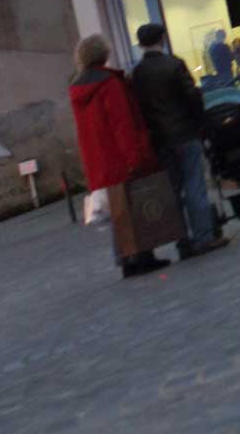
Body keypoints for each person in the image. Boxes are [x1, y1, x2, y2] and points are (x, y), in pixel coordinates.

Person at [68, 33, 168, 279]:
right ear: (103, 54)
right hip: (119, 158)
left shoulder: (78, 89)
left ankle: (126, 260)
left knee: (117, 213)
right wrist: (135, 157)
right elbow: (121, 124)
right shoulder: (109, 84)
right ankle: (143, 257)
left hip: (98, 161)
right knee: (134, 210)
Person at [131, 24, 227, 260]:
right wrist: (200, 124)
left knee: (172, 191)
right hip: (185, 134)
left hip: (160, 140)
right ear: (162, 39)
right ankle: (203, 237)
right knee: (194, 185)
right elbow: (192, 97)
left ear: (141, 44)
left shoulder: (138, 74)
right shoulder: (173, 64)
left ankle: (182, 241)